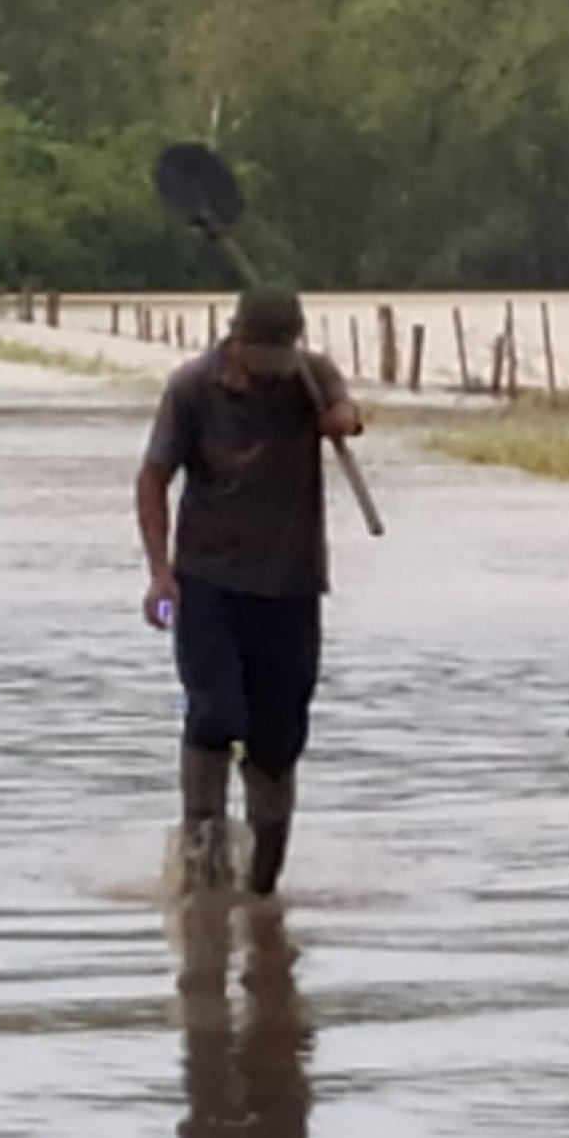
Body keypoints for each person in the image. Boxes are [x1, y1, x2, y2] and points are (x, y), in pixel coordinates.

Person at [136, 286, 362, 895]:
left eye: (282, 352)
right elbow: (153, 478)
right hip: (208, 581)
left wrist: (342, 420)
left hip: (291, 584)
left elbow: (345, 412)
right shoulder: (191, 389)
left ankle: (263, 890)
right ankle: (202, 873)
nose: (271, 367)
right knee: (215, 715)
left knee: (279, 736)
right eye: (262, 353)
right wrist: (160, 574)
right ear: (235, 341)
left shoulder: (309, 377)